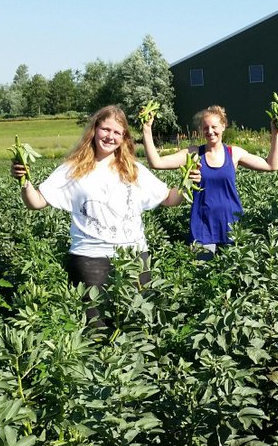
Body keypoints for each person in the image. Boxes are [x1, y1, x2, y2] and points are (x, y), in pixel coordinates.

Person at [10, 105, 194, 328]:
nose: (110, 136)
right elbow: (36, 202)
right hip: (90, 259)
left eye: (117, 132)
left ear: (124, 137)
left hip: (134, 259)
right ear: (95, 130)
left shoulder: (133, 169)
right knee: (96, 329)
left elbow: (168, 199)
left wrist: (189, 182)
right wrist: (25, 181)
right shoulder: (73, 169)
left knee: (136, 326)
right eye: (106, 129)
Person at [142, 104, 278, 258]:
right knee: (202, 276)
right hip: (202, 226)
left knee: (234, 274)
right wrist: (147, 130)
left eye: (214, 127)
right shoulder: (193, 153)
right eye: (205, 128)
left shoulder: (233, 153)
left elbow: (271, 165)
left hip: (232, 224)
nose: (210, 131)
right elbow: (157, 163)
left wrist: (275, 134)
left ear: (223, 126)